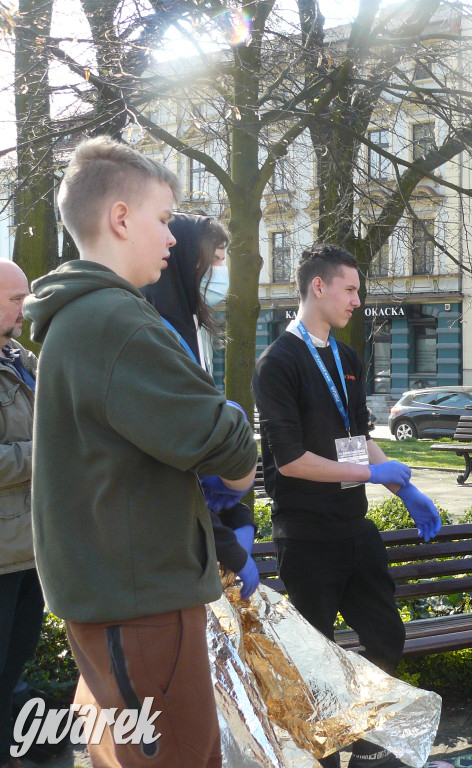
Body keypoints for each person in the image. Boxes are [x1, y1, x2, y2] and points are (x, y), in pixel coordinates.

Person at [23, 136, 258, 768]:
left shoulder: (79, 315)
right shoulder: (115, 321)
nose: (174, 238)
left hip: (121, 600)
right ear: (120, 219)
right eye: (163, 218)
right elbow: (226, 442)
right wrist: (238, 456)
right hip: (144, 606)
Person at [251, 243, 441, 768]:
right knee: (316, 660)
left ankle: (362, 737)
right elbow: (289, 461)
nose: (358, 300)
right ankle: (323, 755)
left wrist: (405, 489)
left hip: (353, 527)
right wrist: (369, 473)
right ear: (319, 286)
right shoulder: (277, 363)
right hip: (305, 533)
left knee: (387, 634)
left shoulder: (347, 356)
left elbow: (359, 435)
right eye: (351, 289)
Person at [141, 213, 259, 600]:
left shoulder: (193, 327)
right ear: (193, 261)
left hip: (198, 537)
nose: (224, 271)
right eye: (219, 258)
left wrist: (237, 521)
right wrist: (229, 544)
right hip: (165, 559)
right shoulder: (156, 332)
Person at [0, 262, 41, 768]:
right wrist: (50, 450)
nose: (25, 307)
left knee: (14, 665)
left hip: (31, 546)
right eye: (15, 298)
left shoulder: (20, 357)